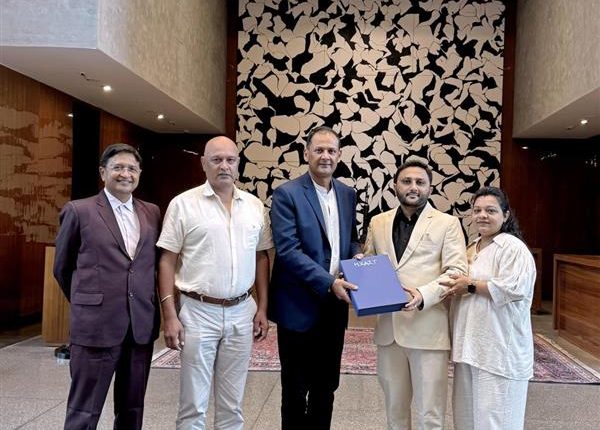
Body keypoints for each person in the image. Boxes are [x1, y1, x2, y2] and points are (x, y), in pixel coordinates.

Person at [157, 136, 272, 430]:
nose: (224, 166)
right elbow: (167, 261)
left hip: (242, 311)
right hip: (197, 312)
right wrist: (169, 315)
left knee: (232, 405)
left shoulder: (254, 206)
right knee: (193, 406)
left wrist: (262, 308)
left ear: (238, 164)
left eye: (230, 160)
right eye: (216, 160)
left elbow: (261, 258)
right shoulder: (183, 204)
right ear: (203, 164)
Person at [53, 143, 161, 430]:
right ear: (103, 172)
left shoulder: (152, 212)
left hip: (139, 326)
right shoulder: (79, 211)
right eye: (118, 168)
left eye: (132, 168)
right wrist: (90, 302)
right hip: (95, 327)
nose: (125, 174)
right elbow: (62, 268)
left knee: (132, 409)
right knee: (84, 411)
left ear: (139, 173)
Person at [268, 125, 362, 430]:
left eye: (331, 150)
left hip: (334, 309)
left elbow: (351, 239)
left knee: (326, 387)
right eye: (319, 150)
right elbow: (288, 250)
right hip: (298, 307)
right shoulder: (287, 194)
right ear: (306, 153)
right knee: (295, 390)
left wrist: (356, 257)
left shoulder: (347, 194)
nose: (325, 156)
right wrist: (329, 282)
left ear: (339, 155)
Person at [363, 159, 468, 430]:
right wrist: (361, 266)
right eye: (406, 181)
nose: (413, 187)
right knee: (394, 412)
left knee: (429, 414)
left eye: (420, 182)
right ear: (395, 185)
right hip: (389, 331)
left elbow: (456, 271)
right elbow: (370, 261)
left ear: (429, 187)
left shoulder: (447, 223)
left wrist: (423, 294)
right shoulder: (378, 222)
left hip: (428, 330)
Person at [440, 186, 536, 430]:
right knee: (466, 419)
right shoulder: (471, 247)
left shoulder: (512, 248)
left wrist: (470, 285)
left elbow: (515, 289)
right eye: (477, 210)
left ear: (505, 215)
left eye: (491, 210)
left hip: (499, 352)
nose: (482, 215)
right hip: (469, 348)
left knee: (496, 421)